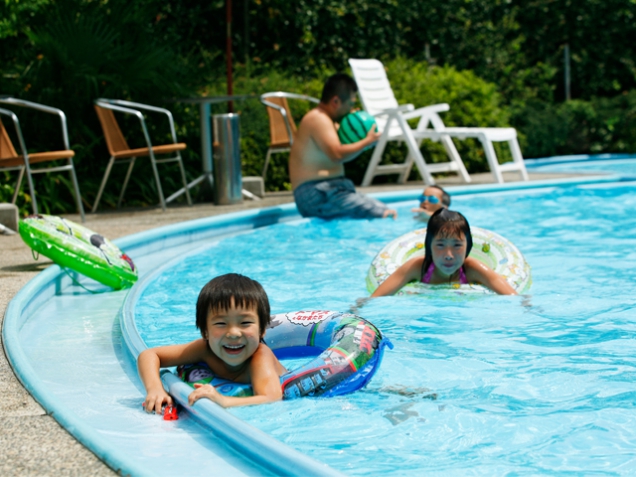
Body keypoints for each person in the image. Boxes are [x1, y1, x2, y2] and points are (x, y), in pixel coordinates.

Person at [138, 273, 287, 410]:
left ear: (262, 330)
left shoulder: (260, 357)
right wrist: (155, 389)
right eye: (221, 324)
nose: (233, 333)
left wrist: (223, 401)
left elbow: (272, 398)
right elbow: (149, 354)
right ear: (205, 332)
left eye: (245, 322)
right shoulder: (205, 350)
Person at [289, 73, 397, 220]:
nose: (352, 108)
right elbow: (337, 155)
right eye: (350, 104)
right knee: (383, 215)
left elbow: (346, 148)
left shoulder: (329, 121)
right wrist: (367, 141)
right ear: (335, 101)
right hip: (316, 193)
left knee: (385, 210)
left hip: (330, 191)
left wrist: (360, 132)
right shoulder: (318, 119)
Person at [371, 208, 517, 296]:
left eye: (457, 245)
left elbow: (513, 298)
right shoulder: (418, 268)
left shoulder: (472, 269)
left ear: (468, 246)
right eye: (440, 245)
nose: (449, 255)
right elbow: (376, 298)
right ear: (429, 246)